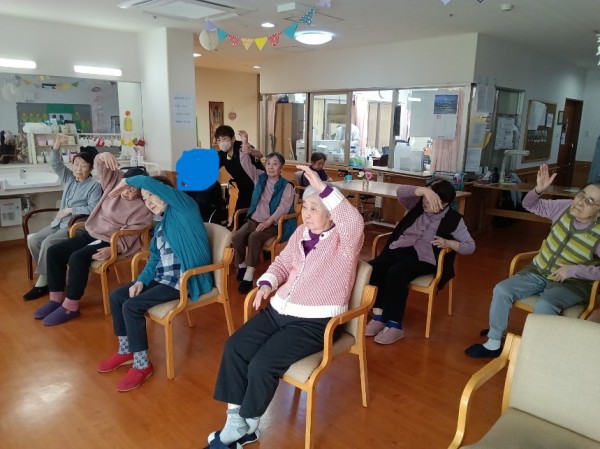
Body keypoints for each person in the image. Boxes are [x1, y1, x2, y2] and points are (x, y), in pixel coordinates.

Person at [203, 164, 364, 449]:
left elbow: (354, 222)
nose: (306, 214)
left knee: (263, 364)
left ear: (331, 213)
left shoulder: (345, 241)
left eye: (314, 209)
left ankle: (250, 424)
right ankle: (235, 421)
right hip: (279, 311)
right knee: (235, 347)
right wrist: (267, 283)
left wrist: (324, 187)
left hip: (314, 322)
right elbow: (283, 263)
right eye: (305, 207)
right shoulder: (301, 232)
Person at [466, 164, 600, 358]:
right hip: (538, 270)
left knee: (545, 304)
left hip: (573, 283)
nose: (580, 202)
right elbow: (529, 205)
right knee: (502, 290)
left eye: (590, 201)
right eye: (581, 195)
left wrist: (574, 270)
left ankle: (536, 353)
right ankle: (494, 342)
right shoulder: (564, 207)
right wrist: (538, 190)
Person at [97, 175, 213, 392]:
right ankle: (126, 350)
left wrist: (128, 181)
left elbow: (148, 182)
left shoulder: (186, 209)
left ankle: (142, 364)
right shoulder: (160, 226)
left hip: (184, 280)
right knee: (118, 297)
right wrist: (141, 280)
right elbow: (154, 258)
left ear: (167, 193)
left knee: (131, 306)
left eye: (151, 195)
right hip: (163, 278)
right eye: (144, 198)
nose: (148, 201)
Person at [33, 152, 153, 326]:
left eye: (134, 190)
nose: (127, 193)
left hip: (109, 240)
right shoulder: (113, 185)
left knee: (77, 258)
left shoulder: (143, 206)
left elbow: (134, 232)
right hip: (92, 232)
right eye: (126, 187)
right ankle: (56, 298)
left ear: (141, 190)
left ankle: (71, 306)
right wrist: (103, 155)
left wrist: (114, 248)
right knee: (54, 252)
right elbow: (101, 167)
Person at [366, 180, 475, 345]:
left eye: (430, 200)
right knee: (375, 267)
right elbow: (401, 191)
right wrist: (423, 191)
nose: (424, 202)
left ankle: (395, 325)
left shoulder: (454, 219)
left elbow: (470, 247)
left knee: (396, 273)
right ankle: (380, 316)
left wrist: (449, 243)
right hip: (399, 249)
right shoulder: (416, 206)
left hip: (424, 257)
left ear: (444, 204)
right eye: (425, 197)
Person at [23, 135, 103, 300]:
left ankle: (43, 282)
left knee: (48, 243)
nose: (78, 168)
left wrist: (71, 210)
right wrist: (57, 144)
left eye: (83, 166)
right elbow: (56, 163)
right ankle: (50, 274)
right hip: (59, 223)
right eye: (76, 164)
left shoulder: (94, 186)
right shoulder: (69, 178)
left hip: (75, 225)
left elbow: (93, 208)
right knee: (34, 240)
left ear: (90, 169)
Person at [232, 151, 295, 294]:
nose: (271, 167)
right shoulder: (259, 177)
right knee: (237, 237)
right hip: (254, 219)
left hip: (273, 224)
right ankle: (242, 266)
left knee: (254, 237)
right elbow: (245, 163)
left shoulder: (287, 186)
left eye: (275, 164)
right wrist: (244, 147)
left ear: (281, 167)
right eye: (268, 163)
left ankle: (249, 275)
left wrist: (269, 221)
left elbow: (284, 207)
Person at [216, 126, 264, 214]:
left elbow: (260, 154)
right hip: (242, 188)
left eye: (224, 139)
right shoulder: (221, 155)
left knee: (257, 214)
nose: (222, 143)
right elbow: (211, 169)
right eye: (219, 140)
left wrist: (251, 151)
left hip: (258, 185)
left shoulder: (243, 146)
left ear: (233, 139)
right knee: (239, 215)